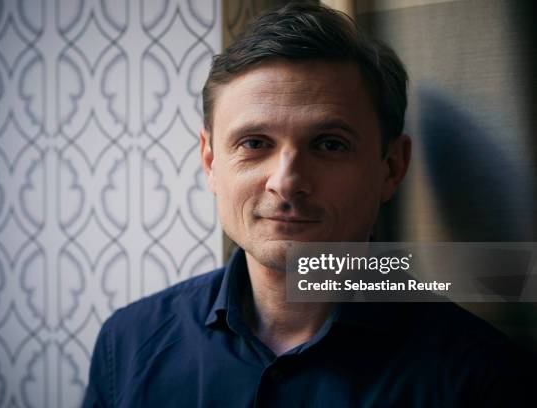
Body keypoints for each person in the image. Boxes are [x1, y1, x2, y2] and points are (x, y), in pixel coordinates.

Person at [82, 3, 533, 407]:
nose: (286, 182)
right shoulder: (126, 346)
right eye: (255, 143)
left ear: (391, 168)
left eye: (329, 145)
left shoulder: (480, 377)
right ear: (210, 161)